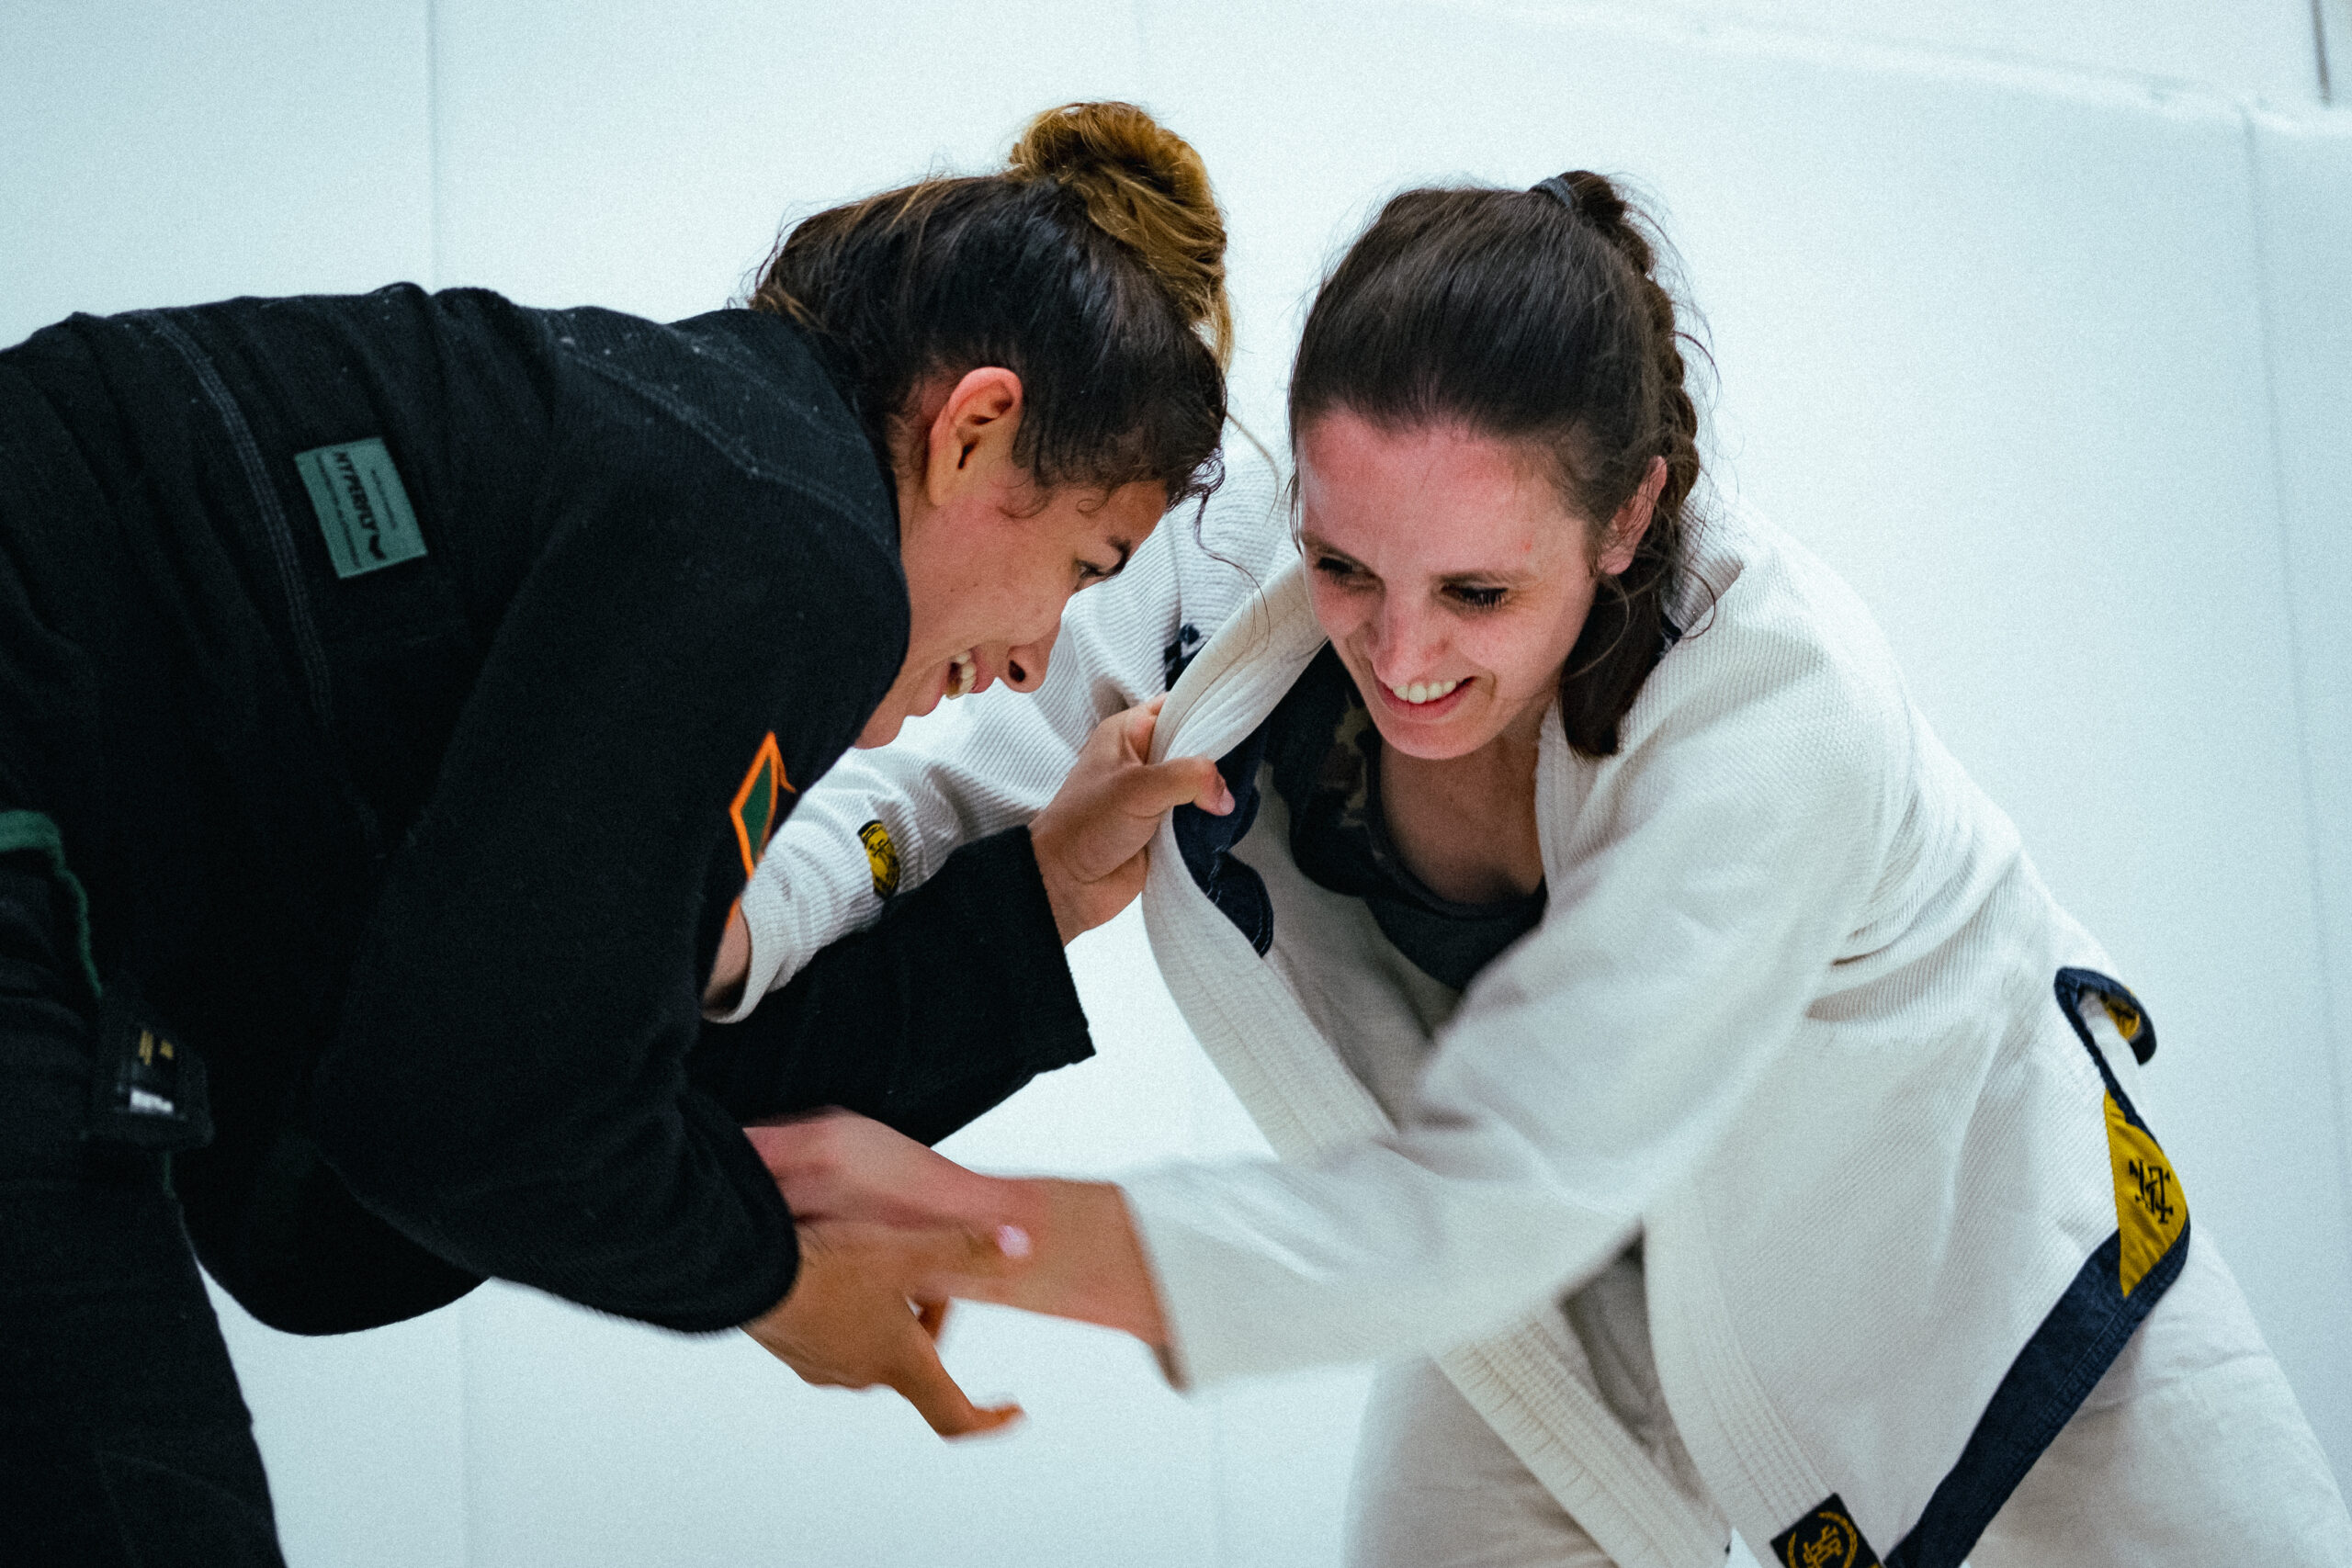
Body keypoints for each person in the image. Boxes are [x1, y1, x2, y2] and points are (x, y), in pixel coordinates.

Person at [735, 174, 2352, 1566]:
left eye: (1480, 594)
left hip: (1949, 1253)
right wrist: (715, 931)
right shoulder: (1229, 569)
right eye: (1345, 564)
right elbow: (926, 794)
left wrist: (968, 1227)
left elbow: (1485, 1197)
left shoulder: (1780, 704)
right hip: (1545, 1290)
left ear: (1631, 512)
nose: (1403, 653)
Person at [0, 100, 1236, 1566]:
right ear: (974, 432)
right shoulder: (790, 538)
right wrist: (772, 1278)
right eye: (1084, 564)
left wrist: (1020, 915)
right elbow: (476, 1114)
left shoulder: (664, 460)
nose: (1038, 658)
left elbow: (382, 1172)